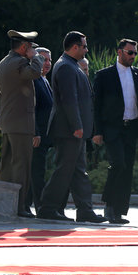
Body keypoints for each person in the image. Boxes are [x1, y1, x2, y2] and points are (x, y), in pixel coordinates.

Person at [37, 31, 106, 223]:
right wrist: (77, 125)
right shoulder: (66, 67)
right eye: (84, 46)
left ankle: (85, 210)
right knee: (64, 170)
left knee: (78, 171)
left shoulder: (71, 65)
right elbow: (69, 100)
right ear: (74, 47)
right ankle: (48, 208)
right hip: (68, 130)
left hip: (74, 129)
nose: (86, 49)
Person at [92, 39, 138, 224]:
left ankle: (118, 212)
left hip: (132, 127)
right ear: (119, 52)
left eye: (135, 53)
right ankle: (108, 205)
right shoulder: (104, 75)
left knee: (127, 169)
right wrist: (97, 131)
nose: (133, 56)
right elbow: (96, 106)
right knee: (118, 164)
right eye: (130, 52)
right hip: (113, 128)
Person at [0, 30, 45, 218]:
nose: (33, 51)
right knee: (22, 166)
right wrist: (37, 58)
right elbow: (35, 72)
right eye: (31, 47)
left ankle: (4, 204)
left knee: (7, 166)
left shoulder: (3, 64)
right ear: (24, 47)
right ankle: (20, 207)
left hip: (7, 122)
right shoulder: (20, 63)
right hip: (22, 123)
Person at [25, 47, 53, 213]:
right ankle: (40, 207)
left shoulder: (44, 80)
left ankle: (26, 205)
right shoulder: (34, 80)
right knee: (36, 171)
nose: (47, 63)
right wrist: (35, 132)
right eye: (43, 59)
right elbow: (31, 108)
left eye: (49, 60)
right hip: (37, 135)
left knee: (35, 170)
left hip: (45, 135)